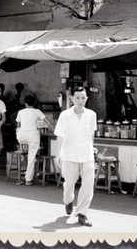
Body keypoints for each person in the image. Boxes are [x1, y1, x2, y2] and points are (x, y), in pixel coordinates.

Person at [54, 86, 96, 227]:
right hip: (69, 154)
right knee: (69, 184)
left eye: (83, 97)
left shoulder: (91, 115)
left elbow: (91, 135)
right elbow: (59, 135)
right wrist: (58, 153)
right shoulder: (65, 115)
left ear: (87, 99)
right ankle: (68, 200)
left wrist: (92, 151)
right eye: (77, 97)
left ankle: (82, 214)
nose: (80, 100)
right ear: (72, 98)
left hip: (87, 155)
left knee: (88, 185)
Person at [15, 95, 54, 186]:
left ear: (25, 103)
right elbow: (47, 122)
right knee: (31, 157)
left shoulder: (21, 112)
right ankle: (28, 179)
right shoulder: (37, 111)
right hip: (33, 135)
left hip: (21, 136)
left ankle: (21, 150)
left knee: (23, 146)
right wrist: (54, 129)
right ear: (35, 103)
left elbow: (18, 125)